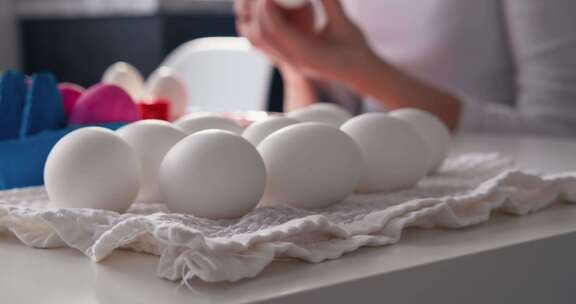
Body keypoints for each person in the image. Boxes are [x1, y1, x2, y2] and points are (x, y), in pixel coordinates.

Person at [235, 0, 576, 135]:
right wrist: (294, 61)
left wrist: (364, 72)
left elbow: (559, 133)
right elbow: (332, 130)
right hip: (384, 207)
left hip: (507, 213)